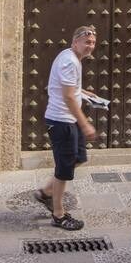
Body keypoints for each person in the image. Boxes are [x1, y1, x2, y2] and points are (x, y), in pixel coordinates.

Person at [35, 25, 98, 231]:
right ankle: (58, 215)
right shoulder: (70, 62)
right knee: (64, 170)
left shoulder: (69, 56)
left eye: (93, 43)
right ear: (75, 42)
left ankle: (45, 192)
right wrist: (85, 123)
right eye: (87, 42)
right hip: (62, 121)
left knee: (78, 158)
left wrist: (85, 93)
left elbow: (71, 90)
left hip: (68, 121)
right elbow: (68, 97)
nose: (90, 46)